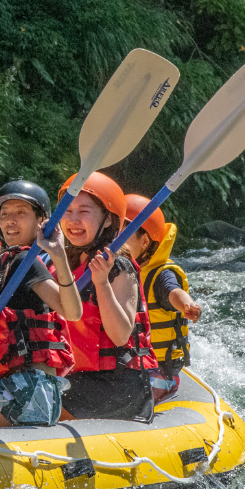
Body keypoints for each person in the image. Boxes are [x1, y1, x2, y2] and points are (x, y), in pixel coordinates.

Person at [0, 184, 83, 430]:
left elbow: (72, 311)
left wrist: (59, 255)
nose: (10, 220)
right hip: (12, 386)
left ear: (42, 220)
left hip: (31, 389)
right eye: (5, 214)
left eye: (20, 213)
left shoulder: (23, 261)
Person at [57, 172, 157, 422]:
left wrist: (101, 282)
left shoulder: (119, 265)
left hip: (115, 388)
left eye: (84, 211)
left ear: (108, 220)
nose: (73, 219)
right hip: (74, 379)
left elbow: (121, 334)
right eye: (67, 211)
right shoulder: (64, 262)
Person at [121, 194, 201, 401]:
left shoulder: (161, 274)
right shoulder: (111, 269)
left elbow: (172, 291)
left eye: (123, 234)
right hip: (126, 363)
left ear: (145, 241)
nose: (115, 241)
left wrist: (186, 304)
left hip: (158, 369)